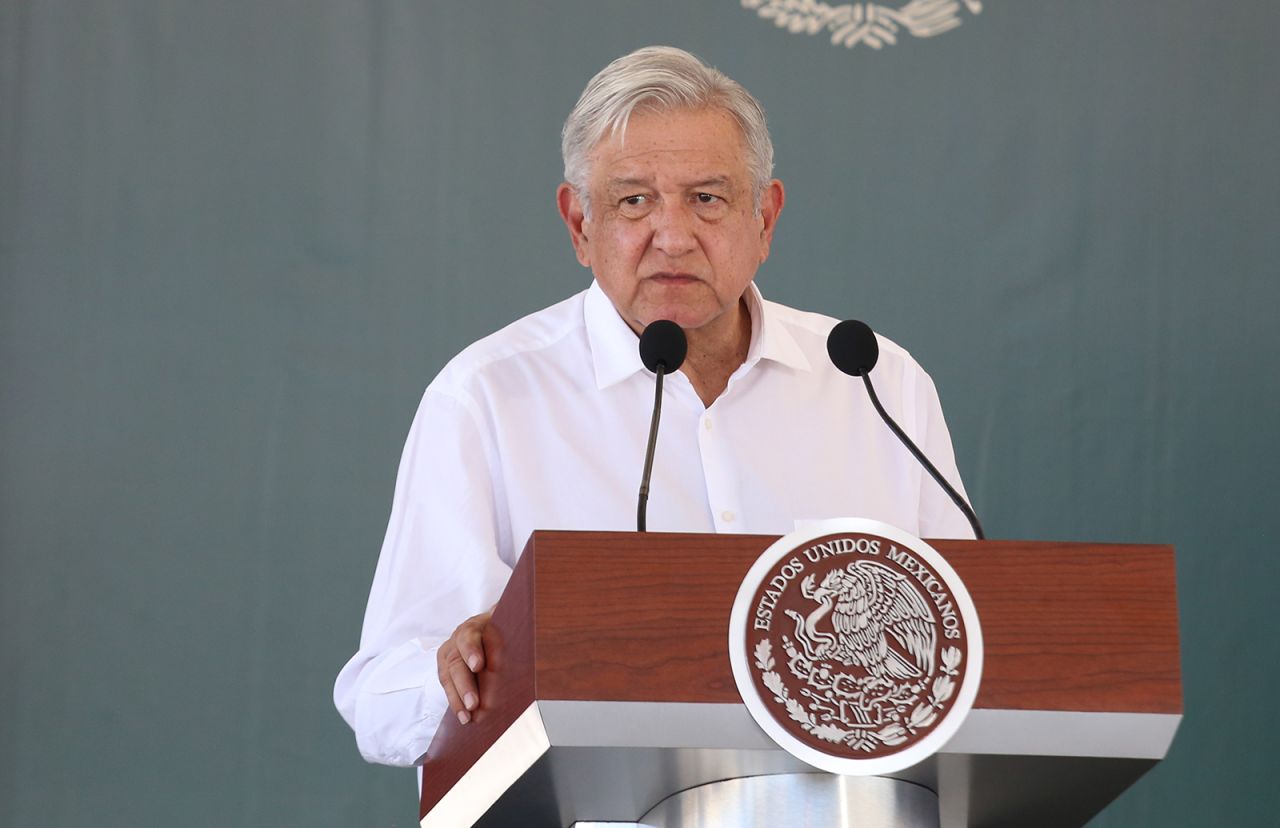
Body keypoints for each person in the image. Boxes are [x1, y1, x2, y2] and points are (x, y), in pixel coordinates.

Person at [334, 45, 974, 768]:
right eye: (633, 200)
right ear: (579, 224)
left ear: (765, 218)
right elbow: (380, 703)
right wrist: (462, 678)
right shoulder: (488, 397)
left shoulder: (876, 383)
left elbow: (972, 651)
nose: (672, 235)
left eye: (708, 197)